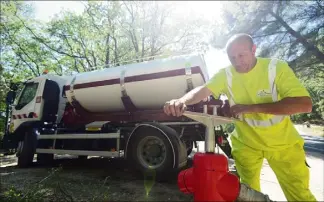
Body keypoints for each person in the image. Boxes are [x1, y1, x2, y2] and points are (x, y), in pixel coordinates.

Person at [163, 33, 317, 201]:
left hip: (283, 145)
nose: (237, 62)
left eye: (241, 55)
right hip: (246, 145)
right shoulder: (226, 74)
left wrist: (250, 108)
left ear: (253, 50)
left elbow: (304, 104)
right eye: (232, 58)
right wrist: (181, 100)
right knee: (247, 195)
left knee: (300, 195)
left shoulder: (275, 68)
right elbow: (203, 90)